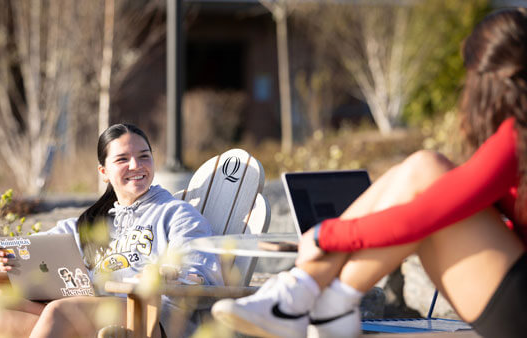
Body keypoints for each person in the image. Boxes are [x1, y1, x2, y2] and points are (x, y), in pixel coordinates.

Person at [212, 7, 527, 338]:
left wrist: (324, 235)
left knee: (425, 172)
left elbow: (418, 218)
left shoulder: (516, 139)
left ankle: (307, 298)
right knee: (420, 169)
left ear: (487, 79)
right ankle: (315, 301)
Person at [0, 124, 223, 337]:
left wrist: (168, 273)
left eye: (144, 156)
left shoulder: (176, 214)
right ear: (104, 172)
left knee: (60, 310)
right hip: (92, 314)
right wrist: (11, 257)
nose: (136, 165)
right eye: (122, 159)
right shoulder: (91, 222)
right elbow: (36, 248)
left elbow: (201, 273)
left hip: (151, 316)